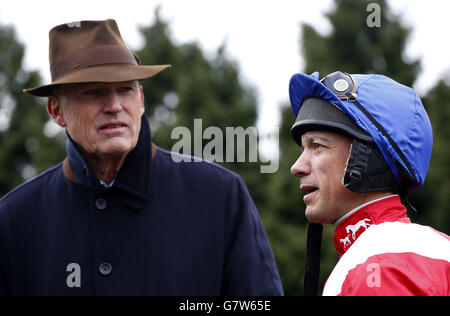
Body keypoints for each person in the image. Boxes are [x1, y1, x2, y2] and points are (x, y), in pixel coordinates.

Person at [0, 19, 283, 296]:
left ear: (141, 101)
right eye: (93, 92)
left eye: (125, 89)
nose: (114, 106)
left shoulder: (220, 195)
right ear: (56, 111)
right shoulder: (13, 220)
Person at [288, 71, 450, 296]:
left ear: (366, 159)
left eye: (317, 146)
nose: (297, 167)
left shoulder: (378, 265)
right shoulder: (427, 249)